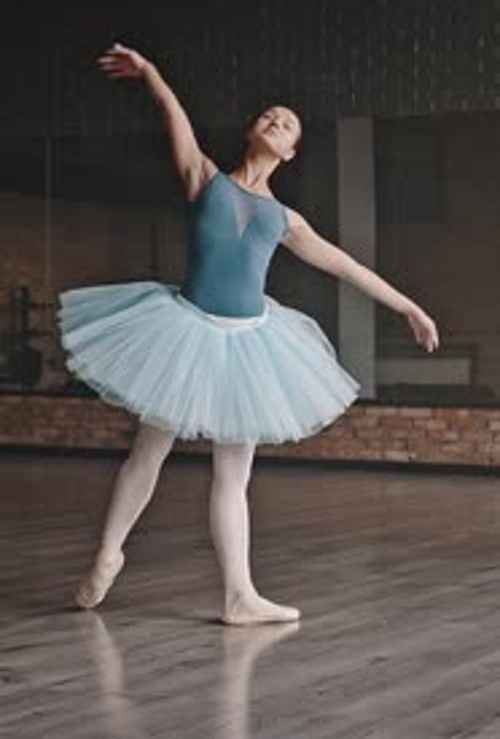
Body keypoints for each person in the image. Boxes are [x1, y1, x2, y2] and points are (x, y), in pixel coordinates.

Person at [56, 43, 439, 626]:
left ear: (291, 152)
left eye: (286, 123)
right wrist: (153, 74)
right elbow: (174, 120)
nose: (275, 121)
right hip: (186, 331)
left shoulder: (285, 220)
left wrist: (409, 306)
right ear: (251, 131)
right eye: (269, 115)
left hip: (252, 343)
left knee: (234, 475)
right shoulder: (205, 179)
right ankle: (108, 555)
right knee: (148, 452)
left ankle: (239, 594)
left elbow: (347, 266)